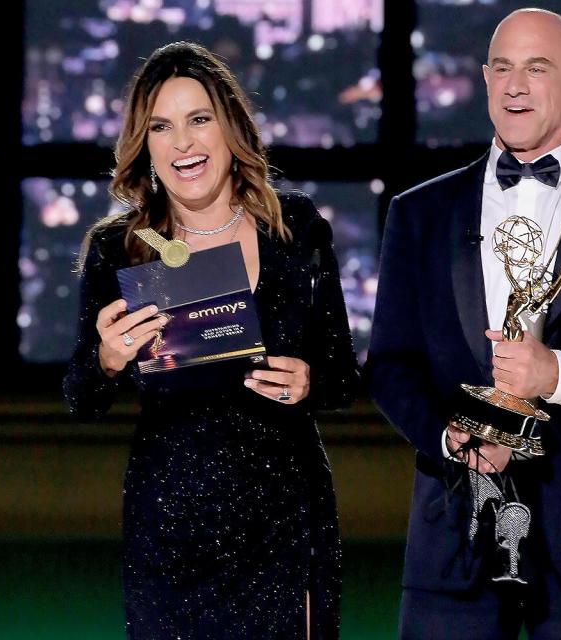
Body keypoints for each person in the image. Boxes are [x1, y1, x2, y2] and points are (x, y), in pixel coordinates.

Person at [367, 8, 561, 639]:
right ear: (485, 81)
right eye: (503, 68)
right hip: (453, 529)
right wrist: (449, 438)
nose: (516, 85)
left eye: (537, 68)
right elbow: (389, 363)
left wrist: (556, 374)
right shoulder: (420, 213)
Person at [63, 41, 358, 639]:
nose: (183, 143)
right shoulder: (119, 248)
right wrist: (108, 358)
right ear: (144, 146)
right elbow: (80, 396)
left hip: (283, 515)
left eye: (199, 120)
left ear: (230, 129)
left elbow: (342, 375)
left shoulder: (295, 227)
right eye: (161, 127)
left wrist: (309, 380)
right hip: (172, 522)